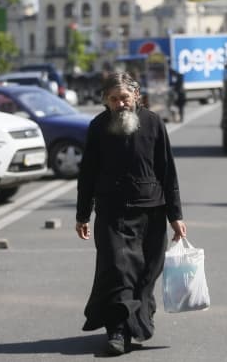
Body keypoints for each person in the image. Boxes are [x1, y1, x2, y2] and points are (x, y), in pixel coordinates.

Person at [75, 71, 187, 355]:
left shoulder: (153, 124)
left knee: (147, 273)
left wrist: (176, 216)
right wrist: (82, 214)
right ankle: (118, 331)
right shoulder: (98, 127)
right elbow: (86, 174)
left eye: (124, 97)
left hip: (151, 211)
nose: (120, 104)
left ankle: (139, 319)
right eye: (113, 99)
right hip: (112, 212)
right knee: (117, 271)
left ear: (136, 96)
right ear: (106, 101)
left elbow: (167, 171)